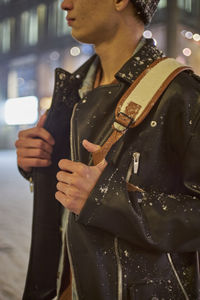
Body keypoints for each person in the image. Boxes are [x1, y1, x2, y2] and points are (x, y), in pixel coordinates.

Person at [15, 0, 200, 299]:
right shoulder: (72, 93)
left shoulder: (182, 95)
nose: (64, 4)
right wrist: (35, 163)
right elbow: (69, 198)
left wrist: (105, 198)